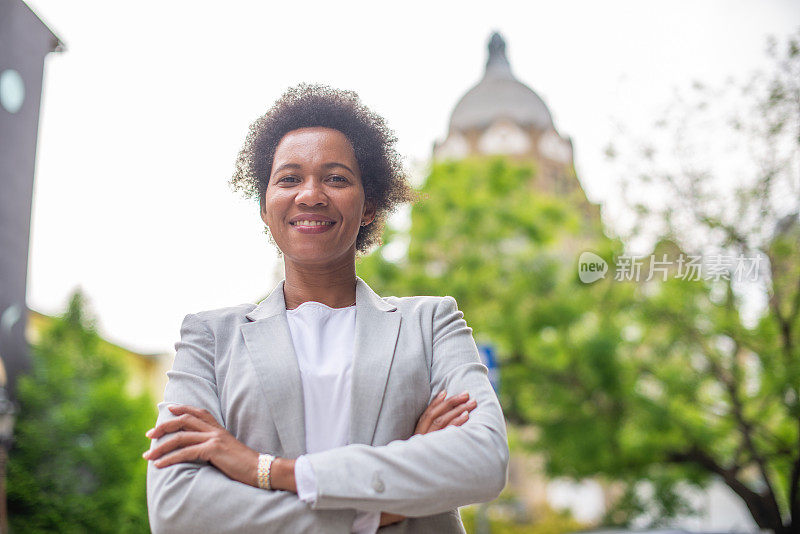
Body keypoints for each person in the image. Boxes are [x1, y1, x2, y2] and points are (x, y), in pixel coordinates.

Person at [144, 83, 509, 533]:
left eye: (335, 178)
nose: (310, 194)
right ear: (264, 205)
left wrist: (269, 470)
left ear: (370, 204)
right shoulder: (209, 338)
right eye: (289, 178)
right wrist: (391, 503)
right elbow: (177, 510)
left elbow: (484, 461)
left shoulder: (431, 324)